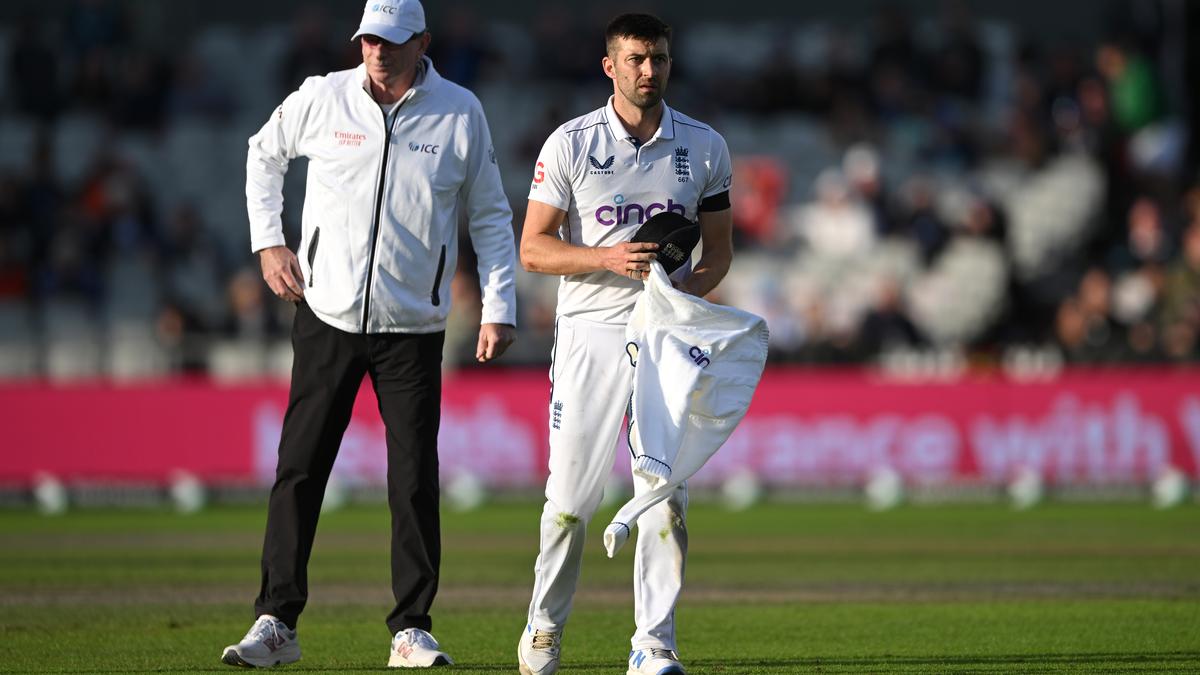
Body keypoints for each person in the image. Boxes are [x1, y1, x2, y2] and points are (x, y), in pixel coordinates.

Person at [222, 0, 517, 668]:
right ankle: (276, 621)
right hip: (326, 314)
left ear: (422, 42)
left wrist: (498, 305)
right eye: (367, 40)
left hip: (414, 324)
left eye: (390, 41)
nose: (376, 52)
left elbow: (492, 216)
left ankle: (411, 627)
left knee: (413, 477)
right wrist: (269, 242)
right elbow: (262, 155)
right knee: (300, 468)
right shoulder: (323, 96)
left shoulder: (460, 110)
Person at [516, 13, 733, 675]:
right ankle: (545, 627)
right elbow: (533, 248)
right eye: (636, 59)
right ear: (609, 65)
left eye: (659, 59)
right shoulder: (571, 143)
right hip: (590, 334)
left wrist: (678, 299)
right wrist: (603, 258)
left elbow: (718, 254)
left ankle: (653, 643)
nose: (650, 70)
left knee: (664, 493)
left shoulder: (705, 146)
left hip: (663, 337)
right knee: (572, 499)